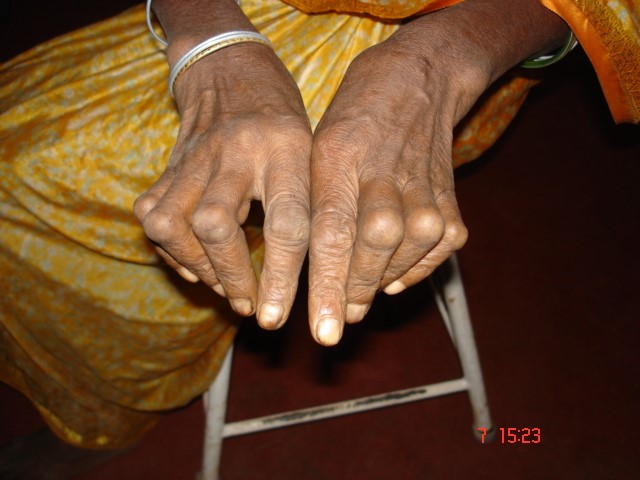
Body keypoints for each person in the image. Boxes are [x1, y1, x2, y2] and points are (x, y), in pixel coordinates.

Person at [0, 0, 638, 477]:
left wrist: (437, 64)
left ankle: (104, 415)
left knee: (42, 187)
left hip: (475, 29)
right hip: (242, 9)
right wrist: (211, 38)